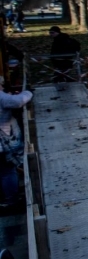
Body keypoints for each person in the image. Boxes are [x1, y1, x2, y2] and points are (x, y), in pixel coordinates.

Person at [0, 80, 32, 208]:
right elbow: (18, 101)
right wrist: (29, 92)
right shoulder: (1, 96)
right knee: (8, 172)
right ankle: (12, 199)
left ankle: (6, 196)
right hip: (2, 145)